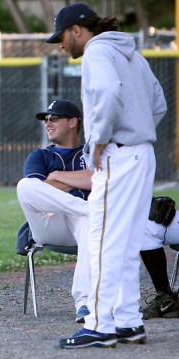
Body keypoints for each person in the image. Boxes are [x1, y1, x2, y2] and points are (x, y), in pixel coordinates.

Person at [46, 3, 167, 349]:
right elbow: (158, 103)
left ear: (78, 30)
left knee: (101, 241)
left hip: (116, 154)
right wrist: (136, 131)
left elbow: (109, 93)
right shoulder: (129, 51)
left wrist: (100, 138)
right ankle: (129, 322)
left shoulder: (97, 51)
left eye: (62, 37)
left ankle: (99, 324)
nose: (61, 44)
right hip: (142, 153)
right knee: (129, 242)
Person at [16, 99, 92, 323]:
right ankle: (91, 209)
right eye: (46, 119)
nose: (48, 123)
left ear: (72, 122)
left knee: (85, 220)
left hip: (82, 226)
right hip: (50, 224)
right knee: (24, 186)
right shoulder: (40, 156)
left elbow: (97, 178)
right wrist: (79, 182)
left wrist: (57, 175)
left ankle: (85, 302)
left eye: (54, 118)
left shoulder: (91, 152)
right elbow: (37, 190)